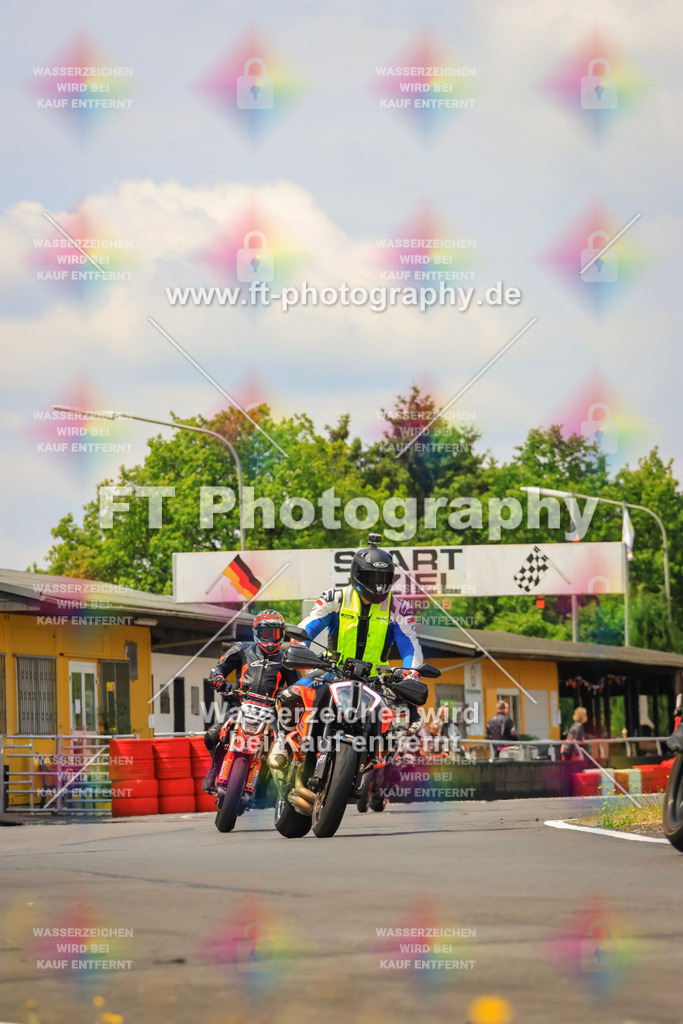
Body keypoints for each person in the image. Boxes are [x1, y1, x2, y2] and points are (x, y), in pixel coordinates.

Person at [201, 609, 300, 793]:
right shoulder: (241, 648)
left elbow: (298, 687)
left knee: (285, 746)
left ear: (282, 634)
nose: (271, 640)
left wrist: (290, 698)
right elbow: (219, 668)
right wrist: (218, 679)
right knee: (212, 736)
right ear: (256, 632)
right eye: (266, 634)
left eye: (276, 634)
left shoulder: (288, 658)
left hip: (272, 711)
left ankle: (280, 788)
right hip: (239, 704)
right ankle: (215, 768)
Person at [298, 533, 424, 676]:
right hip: (332, 672)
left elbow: (409, 646)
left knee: (409, 697)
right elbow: (307, 628)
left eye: (383, 578)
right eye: (371, 578)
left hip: (377, 681)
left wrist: (412, 672)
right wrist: (300, 648)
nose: (377, 585)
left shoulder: (399, 608)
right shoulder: (335, 599)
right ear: (357, 575)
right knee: (293, 693)